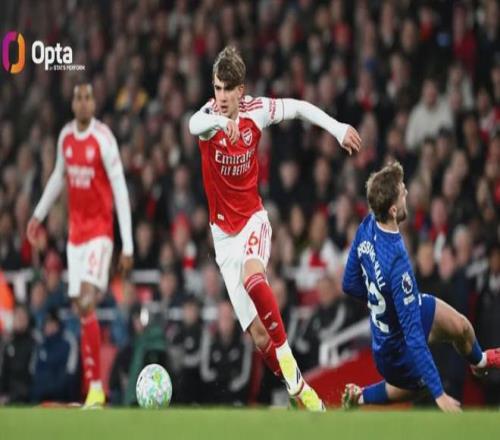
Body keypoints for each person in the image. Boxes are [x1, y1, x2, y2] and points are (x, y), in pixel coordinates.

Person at [189, 46, 361, 410]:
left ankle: (291, 369)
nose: (221, 96)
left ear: (241, 90)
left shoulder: (257, 111)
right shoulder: (208, 118)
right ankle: (300, 392)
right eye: (217, 88)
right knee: (258, 336)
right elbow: (193, 124)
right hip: (223, 238)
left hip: (253, 219)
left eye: (228, 89)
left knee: (254, 277)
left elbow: (297, 107)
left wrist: (337, 128)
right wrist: (220, 123)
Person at [341, 161, 500, 412]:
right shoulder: (397, 261)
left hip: (402, 310)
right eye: (402, 191)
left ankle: (479, 361)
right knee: (421, 385)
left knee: (460, 326)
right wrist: (440, 395)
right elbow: (413, 336)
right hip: (392, 346)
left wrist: (382, 302)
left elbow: (349, 284)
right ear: (393, 210)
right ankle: (361, 397)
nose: (406, 192)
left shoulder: (366, 226)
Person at [26, 84, 134, 408]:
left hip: (100, 233)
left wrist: (127, 245)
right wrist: (37, 215)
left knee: (87, 300)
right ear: (73, 103)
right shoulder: (66, 138)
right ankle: (94, 387)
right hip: (76, 237)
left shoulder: (104, 139)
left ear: (94, 103)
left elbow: (120, 190)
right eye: (78, 97)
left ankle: (97, 390)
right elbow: (58, 177)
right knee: (81, 308)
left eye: (88, 97)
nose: (83, 102)